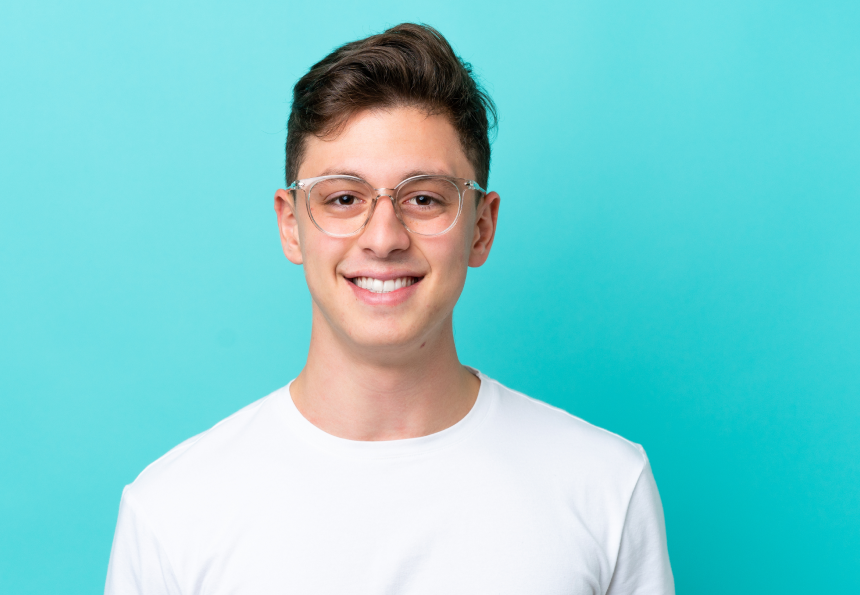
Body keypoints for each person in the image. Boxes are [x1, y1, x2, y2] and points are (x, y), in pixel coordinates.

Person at [105, 23, 674, 594]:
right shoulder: (172, 511)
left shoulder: (605, 486)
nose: (383, 238)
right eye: (344, 198)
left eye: (424, 198)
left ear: (481, 227)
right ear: (290, 224)